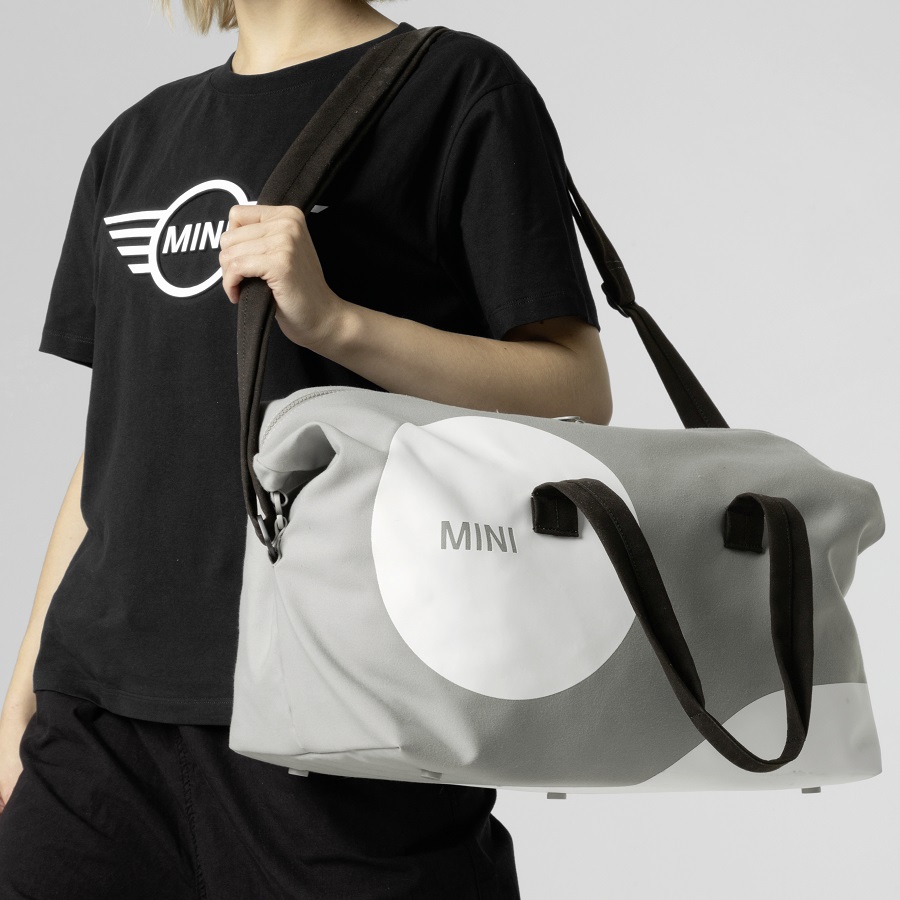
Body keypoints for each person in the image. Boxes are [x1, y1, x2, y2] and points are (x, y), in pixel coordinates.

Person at [0, 0, 612, 896]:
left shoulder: (456, 89)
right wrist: (23, 693)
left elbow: (575, 393)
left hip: (337, 723)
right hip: (96, 730)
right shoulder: (135, 141)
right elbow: (119, 441)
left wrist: (337, 323)